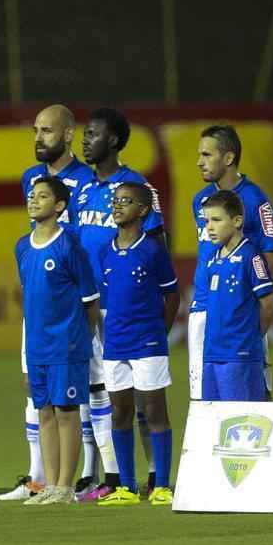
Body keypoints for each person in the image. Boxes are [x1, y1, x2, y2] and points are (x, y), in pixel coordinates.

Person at [0, 104, 96, 502]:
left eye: (47, 130)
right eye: (35, 130)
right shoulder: (25, 241)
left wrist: (81, 329)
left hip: (72, 316)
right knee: (41, 404)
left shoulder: (87, 181)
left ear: (69, 133)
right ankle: (44, 480)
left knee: (86, 400)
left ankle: (82, 480)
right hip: (40, 323)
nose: (38, 137)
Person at [75, 107, 164, 500]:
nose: (84, 139)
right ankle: (105, 476)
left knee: (144, 401)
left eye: (91, 133)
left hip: (124, 308)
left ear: (112, 139)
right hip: (84, 302)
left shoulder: (136, 186)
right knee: (99, 394)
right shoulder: (80, 187)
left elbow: (155, 247)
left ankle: (153, 475)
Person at [15, 176, 100, 506]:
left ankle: (66, 486)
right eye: (32, 195)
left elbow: (90, 302)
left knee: (67, 411)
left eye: (42, 196)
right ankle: (50, 484)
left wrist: (79, 338)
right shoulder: (22, 246)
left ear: (60, 205)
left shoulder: (70, 247)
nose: (33, 200)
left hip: (66, 344)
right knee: (44, 412)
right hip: (37, 346)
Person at [95, 182, 180, 507]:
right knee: (120, 413)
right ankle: (127, 487)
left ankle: (161, 484)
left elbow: (172, 295)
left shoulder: (153, 250)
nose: (117, 206)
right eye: (115, 201)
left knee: (155, 411)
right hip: (115, 345)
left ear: (143, 210)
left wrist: (160, 332)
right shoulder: (106, 250)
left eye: (126, 202)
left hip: (148, 344)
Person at [190, 124, 273, 402]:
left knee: (253, 397)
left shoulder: (256, 201)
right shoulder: (201, 200)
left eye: (206, 155)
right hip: (204, 308)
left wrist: (242, 306)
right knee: (203, 402)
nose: (199, 162)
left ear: (228, 158)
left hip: (237, 317)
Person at [200, 190, 273, 401]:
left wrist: (251, 338)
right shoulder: (213, 258)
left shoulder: (250, 255)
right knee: (215, 421)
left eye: (216, 220)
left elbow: (268, 304)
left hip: (239, 355)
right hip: (212, 353)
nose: (209, 227)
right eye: (206, 221)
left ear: (237, 221)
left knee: (241, 421)